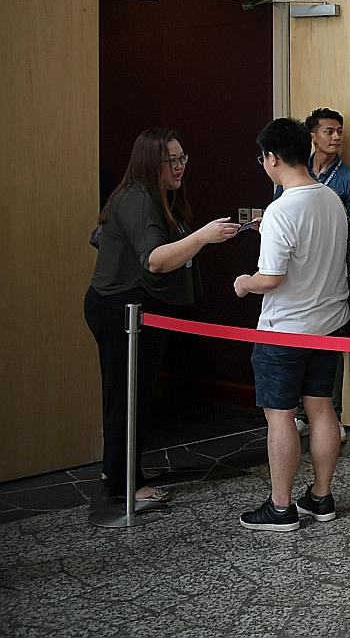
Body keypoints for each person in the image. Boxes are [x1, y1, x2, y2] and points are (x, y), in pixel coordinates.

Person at [87, 127, 239, 506]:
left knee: (133, 392)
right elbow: (155, 259)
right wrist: (204, 236)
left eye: (182, 158)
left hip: (135, 307)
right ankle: (125, 484)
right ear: (149, 162)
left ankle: (122, 467)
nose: (180, 166)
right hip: (122, 308)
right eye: (172, 160)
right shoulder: (138, 197)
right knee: (127, 395)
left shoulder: (155, 197)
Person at [234, 118, 350, 531]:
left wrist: (245, 283)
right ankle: (320, 497)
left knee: (280, 415)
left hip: (284, 329)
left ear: (273, 158)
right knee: (321, 409)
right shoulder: (332, 200)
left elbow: (272, 277)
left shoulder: (282, 209)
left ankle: (280, 506)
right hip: (329, 324)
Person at [287, 108, 350, 436]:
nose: (336, 137)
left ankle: (332, 413)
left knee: (330, 339)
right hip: (294, 272)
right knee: (295, 337)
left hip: (334, 269)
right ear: (312, 136)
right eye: (329, 132)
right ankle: (298, 412)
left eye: (339, 132)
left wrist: (327, 223)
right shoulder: (294, 173)